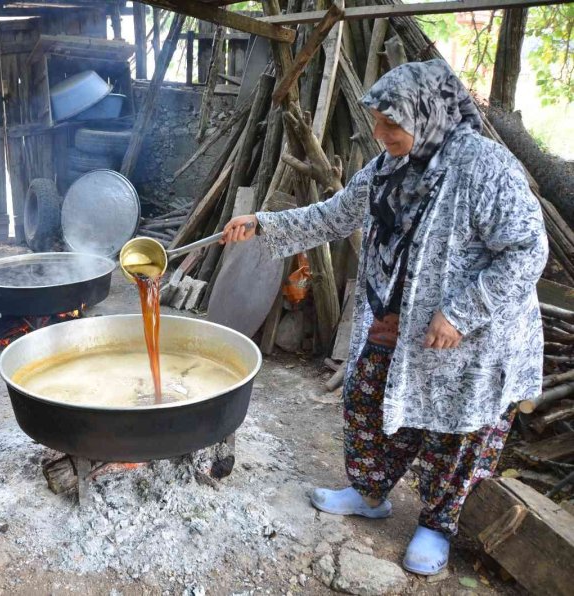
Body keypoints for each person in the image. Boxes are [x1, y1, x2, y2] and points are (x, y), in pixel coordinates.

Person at [222, 60, 547, 575]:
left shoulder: (486, 168)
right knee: (367, 401)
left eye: (391, 123)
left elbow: (528, 251)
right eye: (377, 122)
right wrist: (261, 224)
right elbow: (334, 215)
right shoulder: (388, 167)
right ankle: (369, 493)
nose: (379, 134)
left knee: (453, 432)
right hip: (396, 320)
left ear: (427, 115)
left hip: (472, 337)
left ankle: (436, 524)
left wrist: (461, 313)